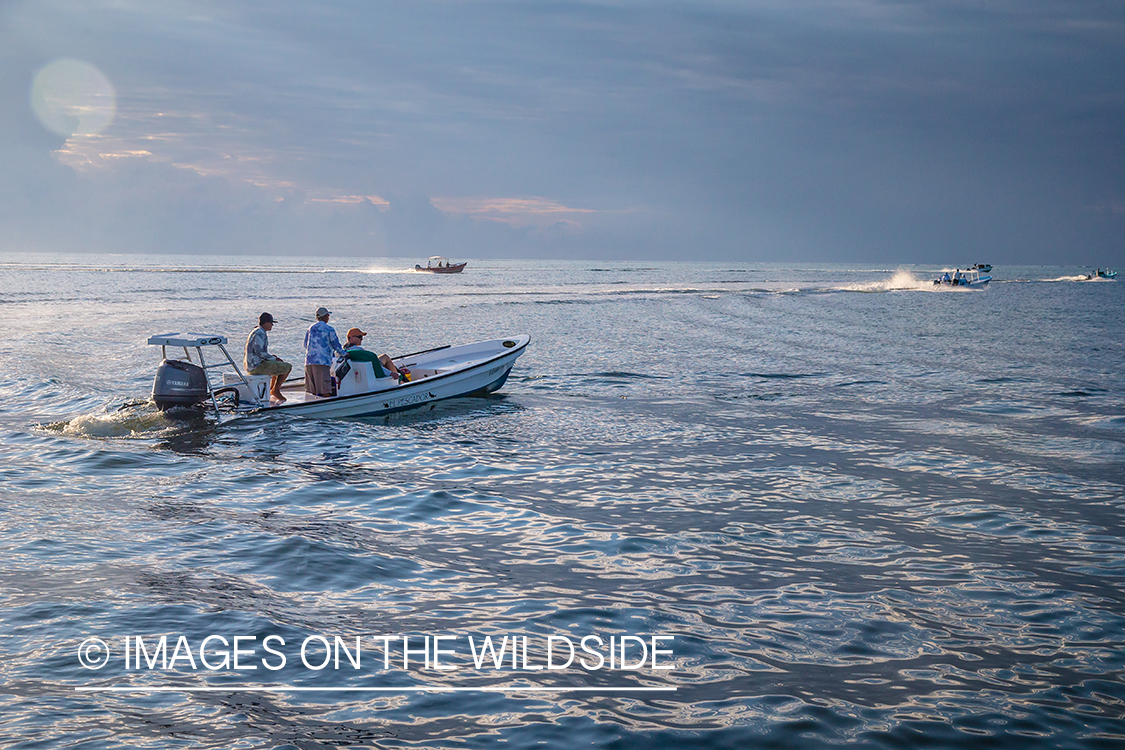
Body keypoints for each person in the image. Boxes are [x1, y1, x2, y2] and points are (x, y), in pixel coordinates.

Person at [245, 312, 292, 402]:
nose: (272, 325)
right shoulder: (260, 333)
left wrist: (272, 357)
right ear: (266, 323)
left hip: (252, 364)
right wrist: (274, 358)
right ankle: (276, 390)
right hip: (256, 366)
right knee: (287, 367)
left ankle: (271, 390)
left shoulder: (256, 331)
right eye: (271, 323)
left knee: (278, 364)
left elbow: (258, 352)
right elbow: (260, 353)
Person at [303, 306, 343, 396]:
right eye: (328, 315)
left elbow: (305, 344)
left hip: (309, 362)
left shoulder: (310, 328)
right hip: (322, 362)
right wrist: (344, 354)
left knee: (311, 392)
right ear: (325, 316)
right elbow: (336, 345)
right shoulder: (329, 329)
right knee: (325, 391)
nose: (328, 317)